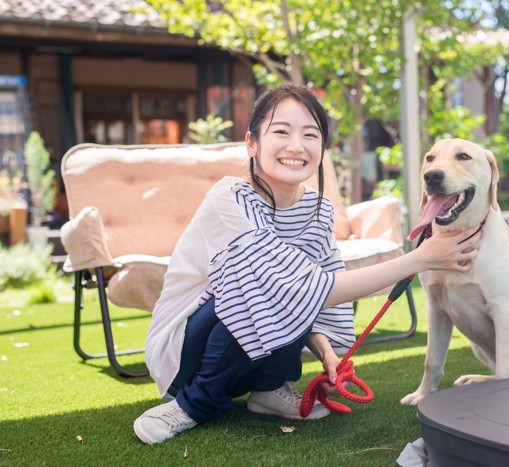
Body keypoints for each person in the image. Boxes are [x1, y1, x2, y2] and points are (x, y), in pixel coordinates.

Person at [133, 84, 482, 445]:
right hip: (188, 356)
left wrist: (327, 354)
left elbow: (312, 294)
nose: (296, 146)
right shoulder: (229, 199)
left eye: (310, 135)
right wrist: (421, 257)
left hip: (247, 360)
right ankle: (192, 404)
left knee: (286, 285)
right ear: (252, 143)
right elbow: (291, 288)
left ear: (321, 148)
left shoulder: (317, 209)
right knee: (260, 283)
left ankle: (268, 388)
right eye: (281, 132)